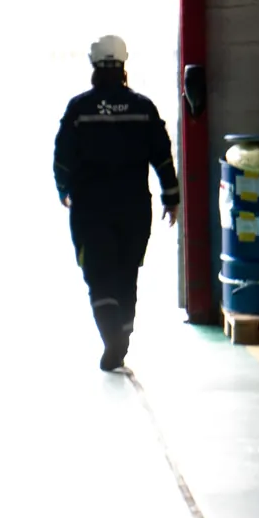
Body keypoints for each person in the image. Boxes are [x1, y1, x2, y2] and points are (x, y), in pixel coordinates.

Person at [53, 34, 179, 371]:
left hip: (90, 209)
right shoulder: (143, 108)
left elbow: (62, 156)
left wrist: (62, 187)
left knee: (98, 274)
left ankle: (113, 339)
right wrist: (172, 196)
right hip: (134, 206)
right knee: (127, 274)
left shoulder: (79, 109)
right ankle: (121, 336)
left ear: (94, 66)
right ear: (124, 65)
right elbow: (162, 156)